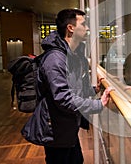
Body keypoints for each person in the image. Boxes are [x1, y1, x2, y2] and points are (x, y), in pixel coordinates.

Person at [35, 9, 112, 164]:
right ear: (70, 28)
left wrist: (93, 90)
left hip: (67, 126)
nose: (88, 28)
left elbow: (71, 89)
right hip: (56, 129)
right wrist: (98, 104)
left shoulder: (72, 55)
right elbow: (63, 97)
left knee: (76, 159)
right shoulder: (55, 59)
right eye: (83, 24)